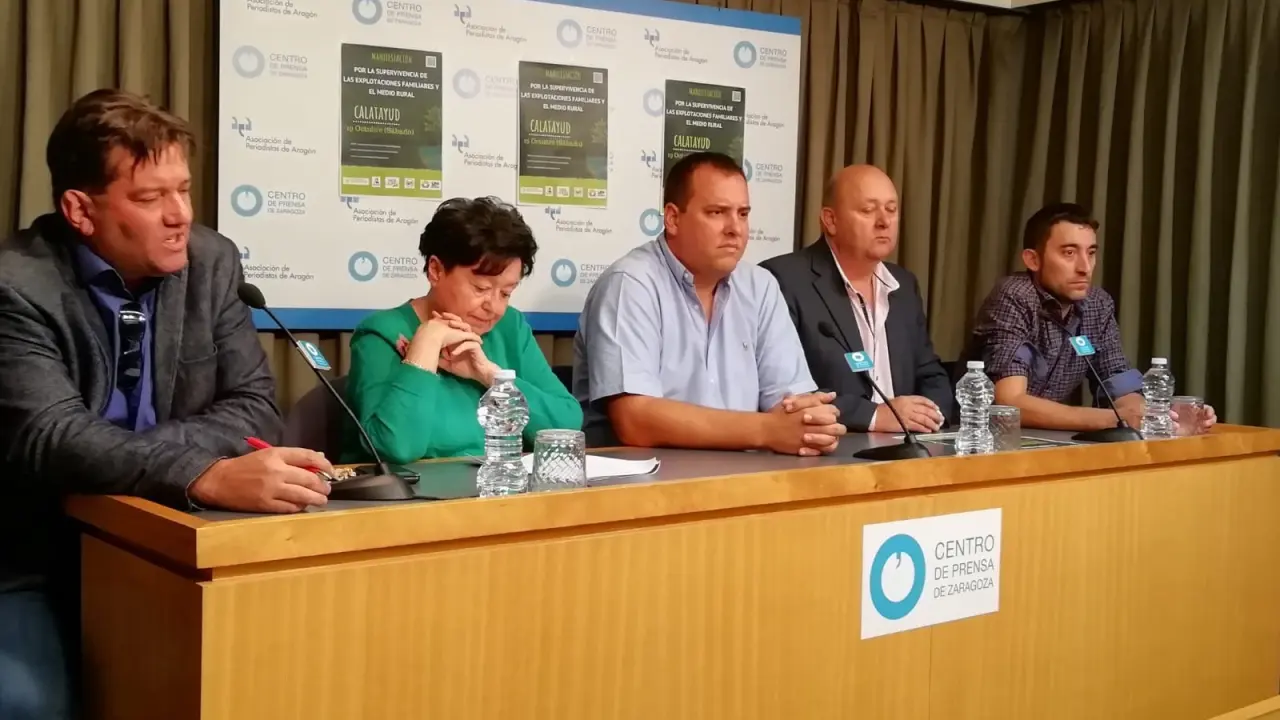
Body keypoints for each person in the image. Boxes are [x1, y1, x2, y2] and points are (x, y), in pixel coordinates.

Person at [0, 89, 334, 719]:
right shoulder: (17, 284)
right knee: (27, 704)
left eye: (183, 190)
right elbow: (50, 435)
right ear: (80, 209)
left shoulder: (211, 262)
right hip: (38, 554)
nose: (180, 215)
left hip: (175, 537)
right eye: (151, 198)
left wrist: (144, 462)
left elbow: (255, 405)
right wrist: (201, 473)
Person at [573, 151, 847, 454]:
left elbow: (793, 407)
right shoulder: (631, 284)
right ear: (673, 219)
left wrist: (812, 426)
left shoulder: (760, 286)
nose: (735, 228)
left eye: (743, 214)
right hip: (647, 477)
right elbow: (634, 420)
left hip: (747, 474)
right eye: (717, 212)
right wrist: (767, 430)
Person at [344, 197, 582, 464]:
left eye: (506, 293)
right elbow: (396, 447)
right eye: (481, 289)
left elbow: (566, 427)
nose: (494, 307)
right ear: (436, 270)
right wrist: (427, 342)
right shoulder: (381, 334)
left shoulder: (509, 327)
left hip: (500, 484)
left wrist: (490, 376)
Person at [965, 202, 1218, 432]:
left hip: (1046, 441)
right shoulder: (1015, 296)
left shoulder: (1097, 304)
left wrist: (1161, 418)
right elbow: (1010, 403)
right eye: (1069, 253)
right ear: (1033, 260)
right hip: (981, 440)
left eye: (1091, 252)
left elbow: (1120, 386)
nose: (1085, 267)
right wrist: (1116, 419)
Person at [762, 165, 951, 433]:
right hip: (833, 444)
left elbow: (930, 373)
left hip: (908, 446)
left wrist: (928, 416)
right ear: (831, 220)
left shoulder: (904, 285)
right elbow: (788, 391)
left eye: (891, 209)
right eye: (868, 210)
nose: (884, 221)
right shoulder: (783, 280)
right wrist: (874, 416)